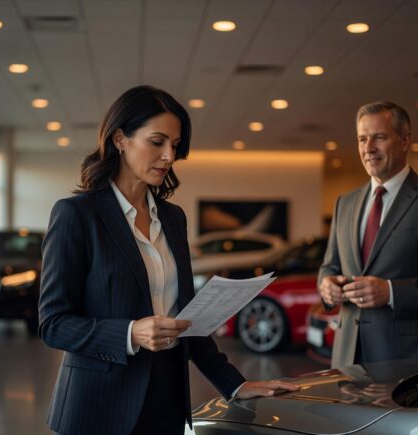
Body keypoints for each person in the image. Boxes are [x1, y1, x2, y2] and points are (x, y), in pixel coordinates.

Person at [38, 85, 299, 435]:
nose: (168, 156)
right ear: (120, 139)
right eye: (157, 141)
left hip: (167, 402)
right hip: (97, 407)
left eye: (175, 146)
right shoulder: (76, 214)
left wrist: (235, 385)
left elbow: (188, 318)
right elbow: (53, 323)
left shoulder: (173, 218)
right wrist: (131, 333)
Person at [318, 101, 418, 369]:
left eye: (379, 137)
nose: (368, 148)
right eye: (362, 139)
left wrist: (390, 292)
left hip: (408, 360)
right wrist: (327, 287)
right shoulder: (344, 203)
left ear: (404, 140)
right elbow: (329, 265)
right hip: (347, 358)